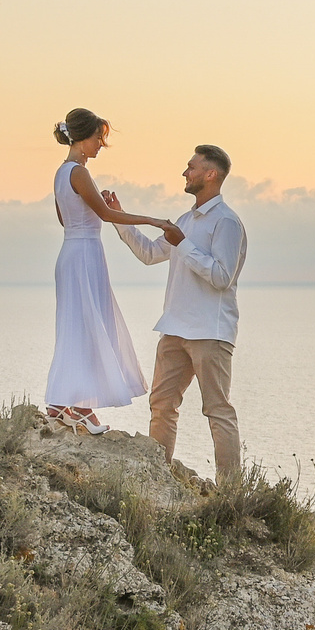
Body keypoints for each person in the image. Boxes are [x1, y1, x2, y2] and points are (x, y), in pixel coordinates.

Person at [112, 144, 247, 483]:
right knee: (162, 404)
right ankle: (156, 479)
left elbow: (221, 277)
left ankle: (231, 493)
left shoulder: (227, 222)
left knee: (217, 411)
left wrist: (183, 243)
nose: (185, 173)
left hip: (210, 332)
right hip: (174, 328)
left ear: (210, 174)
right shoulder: (186, 220)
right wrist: (118, 217)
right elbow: (149, 253)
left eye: (191, 167)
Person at [43, 109, 178, 435]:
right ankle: (77, 406)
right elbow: (105, 215)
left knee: (77, 325)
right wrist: (154, 221)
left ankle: (64, 403)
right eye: (97, 138)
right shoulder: (79, 172)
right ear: (82, 137)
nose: (100, 145)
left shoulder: (62, 173)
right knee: (90, 324)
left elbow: (67, 219)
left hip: (72, 253)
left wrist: (92, 207)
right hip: (86, 254)